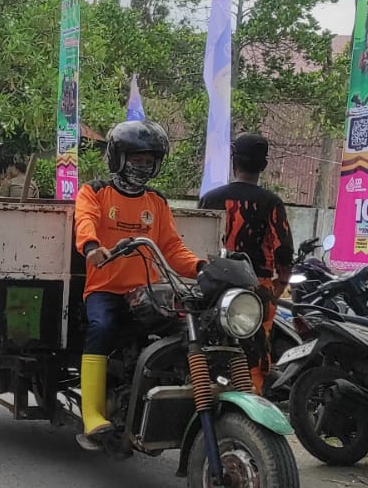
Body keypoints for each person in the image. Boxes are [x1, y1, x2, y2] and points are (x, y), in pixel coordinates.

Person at [74, 120, 202, 451]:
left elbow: (172, 248)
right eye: (136, 160)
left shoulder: (156, 203)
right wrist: (91, 247)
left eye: (149, 161)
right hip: (104, 290)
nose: (143, 167)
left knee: (185, 329)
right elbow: (84, 220)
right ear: (118, 158)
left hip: (145, 293)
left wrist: (201, 267)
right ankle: (92, 414)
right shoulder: (95, 192)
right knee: (100, 327)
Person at [197, 134, 294, 394]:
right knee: (254, 349)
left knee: (207, 345)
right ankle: (252, 399)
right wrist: (278, 286)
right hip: (256, 289)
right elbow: (284, 250)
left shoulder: (210, 198)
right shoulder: (272, 203)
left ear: (234, 162)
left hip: (213, 285)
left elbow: (196, 245)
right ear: (263, 166)